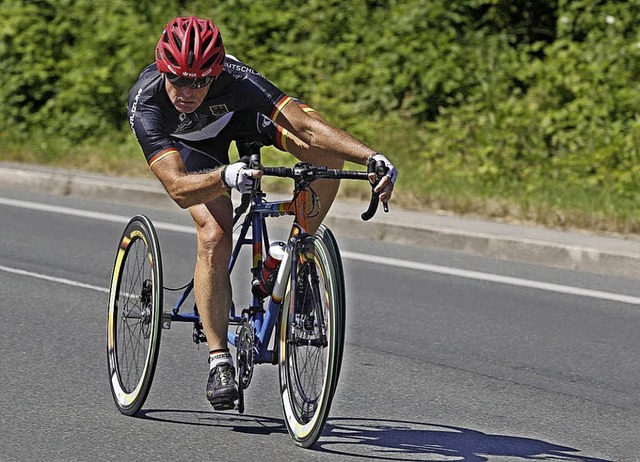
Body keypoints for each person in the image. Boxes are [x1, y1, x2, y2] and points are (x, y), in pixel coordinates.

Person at [127, 15, 398, 410]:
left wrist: (371, 157)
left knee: (326, 156)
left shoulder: (237, 79)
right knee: (214, 235)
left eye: (199, 81)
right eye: (177, 79)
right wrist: (226, 175)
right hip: (192, 149)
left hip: (243, 120)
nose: (187, 90)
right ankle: (219, 358)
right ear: (162, 69)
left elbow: (305, 125)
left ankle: (296, 254)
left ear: (215, 73)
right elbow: (179, 187)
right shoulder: (146, 101)